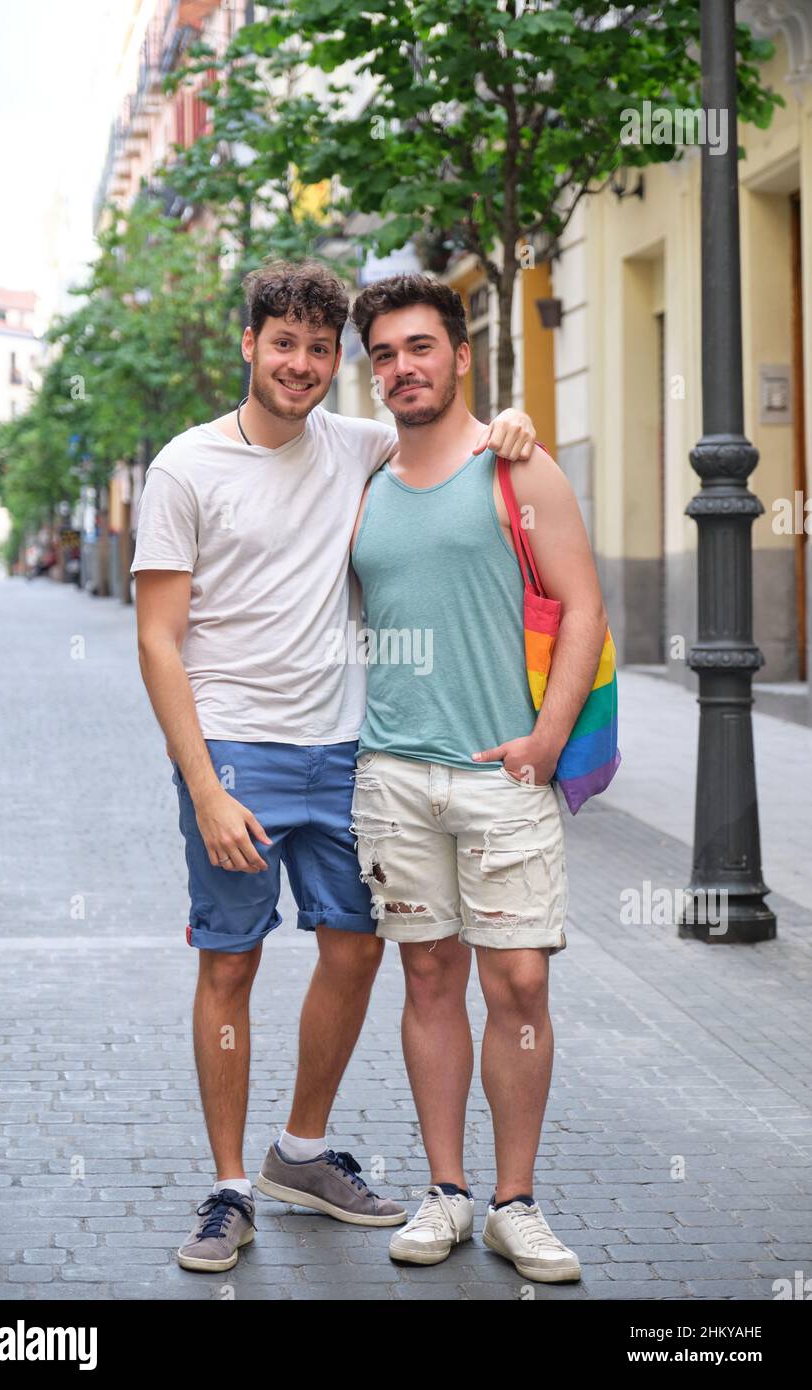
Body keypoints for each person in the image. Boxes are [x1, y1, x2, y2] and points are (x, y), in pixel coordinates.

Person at [129, 259, 539, 1273]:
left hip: (348, 748)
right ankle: (228, 1187)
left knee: (356, 950)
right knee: (230, 962)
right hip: (234, 751)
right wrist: (207, 785)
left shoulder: (357, 444)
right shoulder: (185, 467)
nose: (302, 365)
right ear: (248, 345)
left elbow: (446, 432)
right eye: (284, 345)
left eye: (320, 350)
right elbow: (154, 639)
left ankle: (299, 1152)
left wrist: (513, 424)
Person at [348, 273, 609, 1283]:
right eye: (382, 354)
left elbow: (580, 606)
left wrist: (544, 740)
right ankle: (447, 1193)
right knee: (426, 978)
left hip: (503, 774)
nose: (401, 367)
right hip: (392, 776)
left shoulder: (516, 466)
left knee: (520, 980)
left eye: (418, 347)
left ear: (460, 353)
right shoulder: (364, 477)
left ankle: (515, 1203)